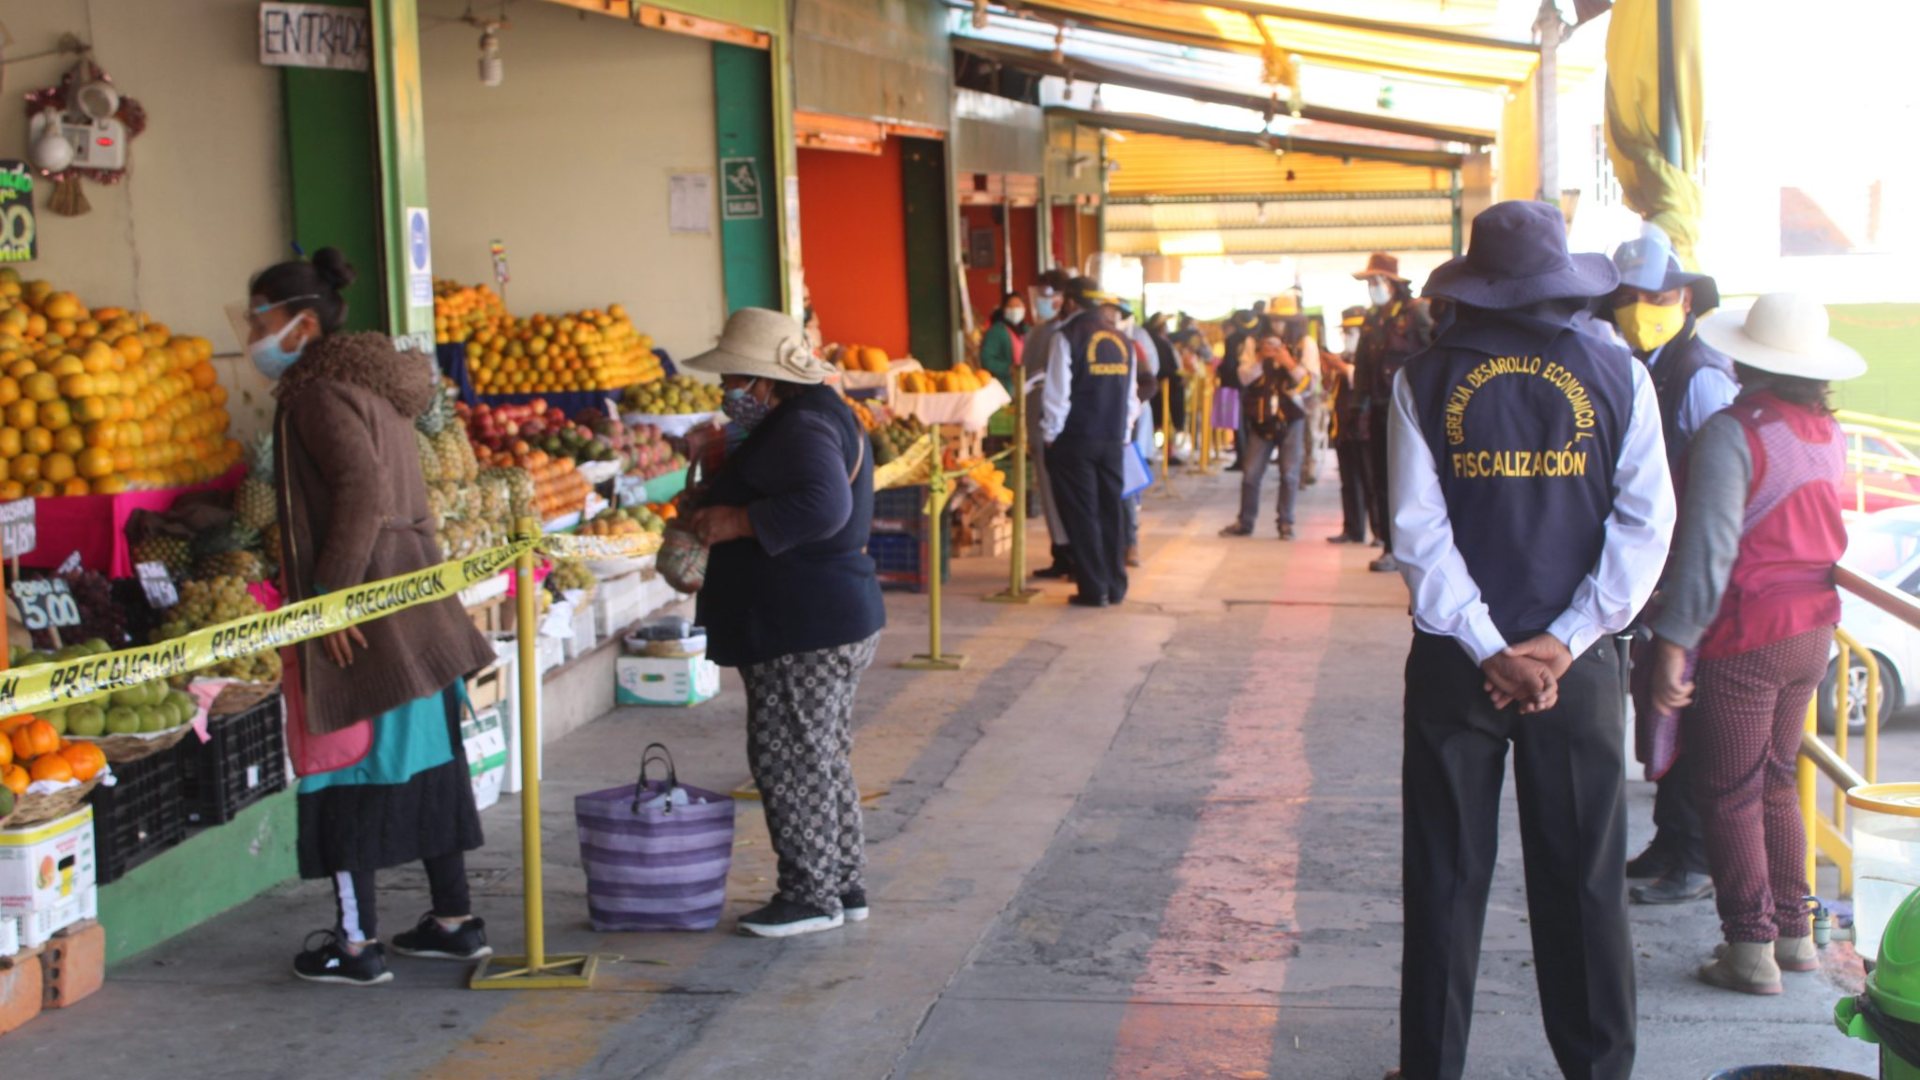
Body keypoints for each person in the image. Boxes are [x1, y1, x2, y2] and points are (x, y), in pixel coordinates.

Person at [1390, 201, 1675, 1080]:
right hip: (1578, 674)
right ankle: (1597, 1072)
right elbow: (1646, 524)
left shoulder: (1424, 378)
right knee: (1584, 881)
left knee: (1444, 877)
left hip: (1454, 667)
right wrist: (1565, 640)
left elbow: (1416, 534)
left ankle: (1432, 1068)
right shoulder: (1619, 372)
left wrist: (1491, 648)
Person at [257, 248, 501, 987]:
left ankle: (355, 945)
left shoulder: (318, 396)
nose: (250, 332)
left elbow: (360, 492)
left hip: (366, 617)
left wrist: (332, 601)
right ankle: (454, 923)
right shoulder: (377, 391)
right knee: (429, 762)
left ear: (300, 324)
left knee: (345, 768)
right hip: (413, 607)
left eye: (260, 318)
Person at [1644, 293, 1865, 994]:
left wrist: (1674, 644)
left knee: (1730, 790)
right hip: (1814, 633)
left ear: (1746, 356)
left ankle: (1748, 948)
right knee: (1775, 784)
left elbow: (1709, 552)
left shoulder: (1733, 432)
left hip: (1748, 633)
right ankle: (1796, 936)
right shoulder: (1826, 431)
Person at [681, 307, 886, 939]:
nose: (729, 393)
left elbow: (824, 503)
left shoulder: (801, 426)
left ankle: (809, 895)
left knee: (789, 758)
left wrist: (736, 522)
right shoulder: (812, 416)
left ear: (767, 382)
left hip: (805, 623)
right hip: (826, 614)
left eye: (737, 380)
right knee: (820, 756)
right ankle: (840, 883)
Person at [1602, 223, 1743, 906]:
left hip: (1691, 578)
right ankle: (1667, 842)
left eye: (1653, 294)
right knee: (1657, 711)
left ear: (1685, 299)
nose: (1638, 306)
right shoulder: (1648, 365)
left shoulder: (1702, 378)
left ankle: (1692, 857)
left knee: (1681, 706)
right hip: (1657, 573)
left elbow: (1716, 499)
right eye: (1627, 295)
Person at [1040, 281, 1135, 608]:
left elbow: (1057, 394)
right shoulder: (1122, 340)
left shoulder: (1066, 337)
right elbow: (1131, 397)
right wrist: (1123, 434)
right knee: (1111, 512)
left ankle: (1094, 590)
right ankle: (1116, 584)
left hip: (1075, 439)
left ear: (1071, 302)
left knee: (1083, 515)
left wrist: (1050, 435)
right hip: (1112, 440)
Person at [1353, 252, 1434, 573]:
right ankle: (1389, 546)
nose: (1372, 287)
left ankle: (1418, 546)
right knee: (1382, 480)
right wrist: (1358, 406)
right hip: (1378, 410)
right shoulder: (1372, 320)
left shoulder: (1417, 314)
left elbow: (1433, 354)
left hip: (1412, 412)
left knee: (1416, 478)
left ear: (1392, 283)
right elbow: (1362, 368)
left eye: (1377, 281)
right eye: (1370, 282)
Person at [1220, 336, 1309, 540]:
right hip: (1261, 421)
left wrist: (1288, 361)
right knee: (1250, 473)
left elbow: (1310, 384)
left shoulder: (1303, 344)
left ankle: (1286, 522)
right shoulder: (1253, 345)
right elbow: (1243, 377)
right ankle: (1245, 521)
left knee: (1290, 474)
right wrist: (1260, 357)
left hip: (1292, 419)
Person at [1024, 271, 1077, 581]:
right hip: (1039, 422)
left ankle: (1073, 553)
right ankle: (1060, 550)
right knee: (1048, 492)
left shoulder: (1067, 334)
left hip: (1058, 427)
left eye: (1048, 296)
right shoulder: (1039, 331)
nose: (1042, 303)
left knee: (1065, 492)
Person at [1326, 307, 1370, 545]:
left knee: (1370, 482)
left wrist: (1343, 368)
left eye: (1352, 331)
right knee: (1348, 481)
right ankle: (1352, 528)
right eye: (1346, 332)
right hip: (1344, 428)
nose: (1348, 336)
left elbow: (1361, 381)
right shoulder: (1343, 358)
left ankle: (1380, 534)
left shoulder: (1370, 357)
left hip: (1365, 428)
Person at [1219, 309, 1260, 471]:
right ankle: (1250, 458)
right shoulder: (1255, 338)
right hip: (1253, 387)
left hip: (1236, 386)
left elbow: (1228, 364)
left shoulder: (1232, 340)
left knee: (1239, 424)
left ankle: (1243, 459)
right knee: (1248, 423)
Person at [978, 291, 1027, 395]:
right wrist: (1008, 369)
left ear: (1024, 308)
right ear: (1004, 310)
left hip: (1025, 387)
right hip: (1004, 388)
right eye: (1010, 306)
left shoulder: (1027, 330)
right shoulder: (996, 331)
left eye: (1018, 306)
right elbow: (986, 360)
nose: (1014, 310)